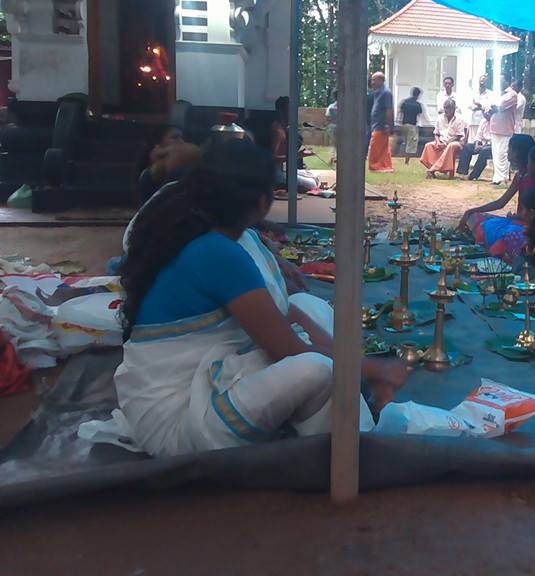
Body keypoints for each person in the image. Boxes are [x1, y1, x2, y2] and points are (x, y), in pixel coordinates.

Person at [114, 139, 406, 457]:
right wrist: (377, 370)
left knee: (309, 308)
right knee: (316, 370)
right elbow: (289, 351)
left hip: (207, 379)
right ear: (264, 202)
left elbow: (285, 316)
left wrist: (355, 365)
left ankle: (340, 418)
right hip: (178, 420)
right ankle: (353, 453)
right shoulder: (218, 253)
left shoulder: (210, 233)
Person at [459, 134, 535, 260]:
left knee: (503, 233)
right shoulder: (520, 175)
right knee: (476, 217)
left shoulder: (531, 179)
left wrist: (517, 216)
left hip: (525, 225)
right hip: (516, 221)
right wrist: (472, 210)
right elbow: (501, 202)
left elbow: (533, 214)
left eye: (510, 149)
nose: (507, 152)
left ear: (518, 152)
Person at [137, 125, 200, 205]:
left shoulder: (188, 168)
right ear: (159, 143)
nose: (181, 141)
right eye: (175, 138)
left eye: (182, 138)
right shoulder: (148, 174)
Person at [419, 98, 467, 178]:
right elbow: (436, 133)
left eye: (449, 108)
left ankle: (433, 169)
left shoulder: (460, 119)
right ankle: (433, 168)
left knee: (451, 146)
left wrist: (446, 143)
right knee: (429, 145)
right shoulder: (440, 118)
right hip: (441, 141)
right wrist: (438, 142)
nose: (446, 110)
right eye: (445, 107)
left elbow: (459, 136)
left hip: (456, 142)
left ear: (454, 108)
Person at [488, 76, 518, 185]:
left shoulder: (512, 94)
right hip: (494, 127)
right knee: (496, 154)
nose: (499, 82)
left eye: (502, 80)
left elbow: (499, 107)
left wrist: (493, 107)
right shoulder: (497, 94)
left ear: (507, 81)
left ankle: (503, 179)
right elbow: (489, 108)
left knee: (503, 154)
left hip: (506, 128)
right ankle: (497, 178)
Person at [367, 71, 394, 172]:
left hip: (381, 125)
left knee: (375, 147)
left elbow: (389, 109)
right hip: (376, 124)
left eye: (374, 80)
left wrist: (387, 125)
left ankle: (375, 166)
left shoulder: (386, 93)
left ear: (381, 80)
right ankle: (384, 166)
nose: (372, 82)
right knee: (382, 148)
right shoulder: (378, 92)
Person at [456, 111, 492, 180]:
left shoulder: (496, 122)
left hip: (492, 145)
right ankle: (462, 173)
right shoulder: (483, 121)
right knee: (467, 147)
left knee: (484, 151)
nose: (486, 114)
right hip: (482, 143)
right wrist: (476, 145)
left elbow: (495, 139)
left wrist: (482, 147)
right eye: (485, 112)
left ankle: (473, 175)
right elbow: (478, 136)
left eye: (488, 113)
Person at [398, 86, 423, 165]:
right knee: (411, 143)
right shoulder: (418, 105)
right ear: (418, 95)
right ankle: (406, 161)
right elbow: (420, 116)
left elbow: (399, 112)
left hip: (404, 124)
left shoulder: (404, 102)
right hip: (412, 126)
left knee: (405, 141)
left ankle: (400, 156)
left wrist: (398, 122)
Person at [469, 74, 494, 142]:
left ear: (487, 82)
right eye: (481, 80)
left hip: (484, 120)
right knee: (472, 141)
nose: (482, 82)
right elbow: (470, 106)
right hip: (473, 121)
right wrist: (480, 107)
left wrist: (480, 105)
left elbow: (488, 107)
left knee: (481, 141)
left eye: (484, 81)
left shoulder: (490, 94)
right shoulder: (474, 92)